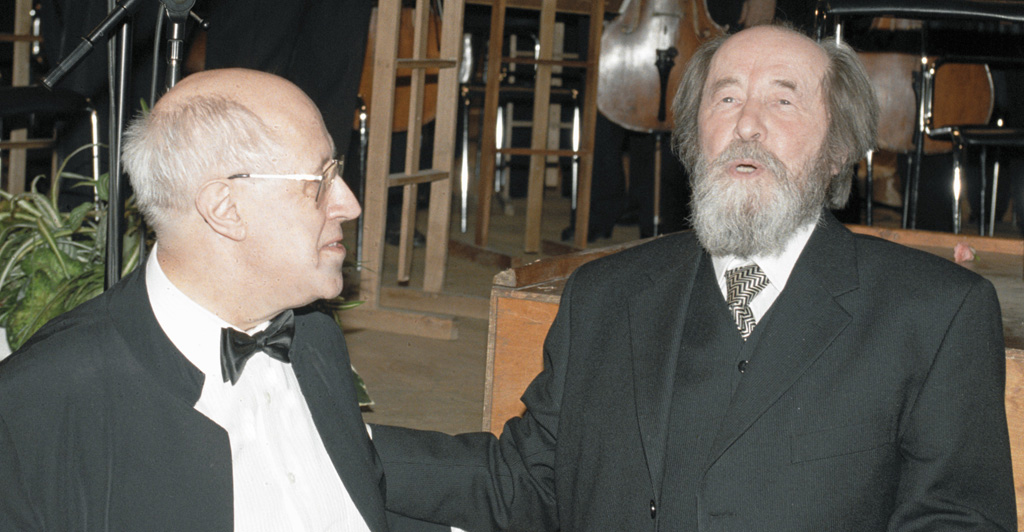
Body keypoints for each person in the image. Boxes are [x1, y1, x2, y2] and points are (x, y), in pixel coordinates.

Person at [371, 25, 1017, 531]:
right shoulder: (603, 298)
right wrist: (337, 440)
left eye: (782, 100)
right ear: (692, 136)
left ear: (838, 149)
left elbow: (957, 520)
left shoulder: (933, 315)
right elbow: (521, 484)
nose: (747, 124)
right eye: (726, 98)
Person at [0, 68, 444, 531]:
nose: (349, 204)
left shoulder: (313, 336)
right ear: (226, 209)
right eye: (320, 180)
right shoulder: (42, 403)